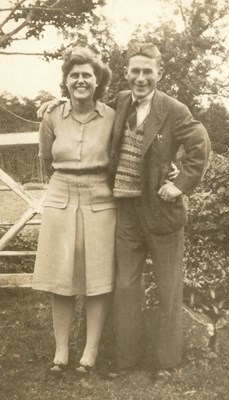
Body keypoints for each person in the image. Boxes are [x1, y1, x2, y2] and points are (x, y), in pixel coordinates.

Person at [37, 42, 210, 377]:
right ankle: (126, 360)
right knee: (125, 286)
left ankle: (166, 362)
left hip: (162, 211)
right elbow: (80, 99)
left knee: (168, 287)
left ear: (159, 73)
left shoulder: (172, 108)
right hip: (127, 211)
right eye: (136, 71)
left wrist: (180, 183)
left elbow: (199, 141)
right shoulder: (120, 102)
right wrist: (57, 101)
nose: (141, 78)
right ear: (127, 73)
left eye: (148, 71)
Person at [32, 47, 117, 374]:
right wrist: (65, 183)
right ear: (66, 81)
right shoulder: (52, 115)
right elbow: (45, 159)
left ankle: (90, 352)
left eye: (87, 75)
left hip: (99, 197)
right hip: (61, 196)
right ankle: (61, 352)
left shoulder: (111, 116)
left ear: (98, 82)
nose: (80, 81)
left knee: (97, 276)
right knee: (60, 277)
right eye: (74, 75)